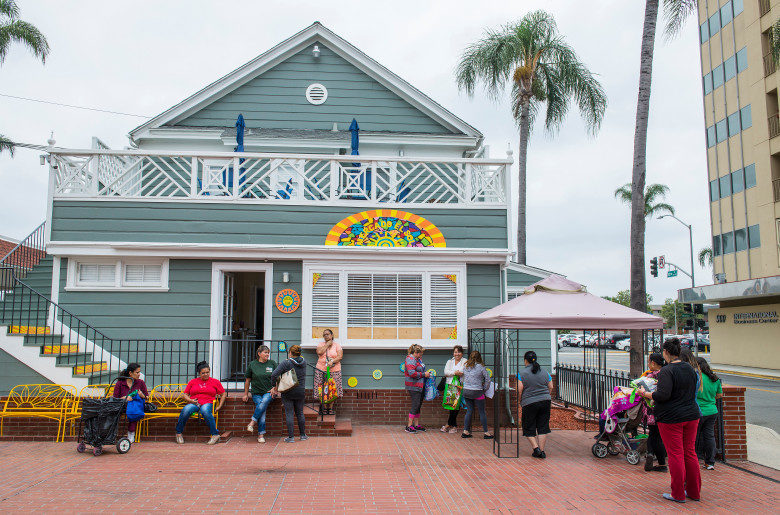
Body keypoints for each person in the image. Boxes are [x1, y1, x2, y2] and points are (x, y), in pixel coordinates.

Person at [638, 338, 701, 504]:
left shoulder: (667, 371)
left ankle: (678, 493)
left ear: (666, 352)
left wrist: (645, 393)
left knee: (675, 454)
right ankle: (694, 492)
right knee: (690, 452)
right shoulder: (690, 369)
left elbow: (662, 395)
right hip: (692, 415)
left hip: (671, 418)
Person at [175, 361, 226, 445]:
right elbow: (185, 394)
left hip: (208, 403)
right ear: (199, 373)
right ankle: (178, 433)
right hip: (195, 403)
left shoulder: (215, 382)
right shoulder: (193, 382)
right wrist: (190, 400)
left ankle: (215, 434)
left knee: (205, 410)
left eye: (207, 372)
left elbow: (223, 394)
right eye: (203, 373)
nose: (206, 374)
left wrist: (219, 406)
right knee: (186, 410)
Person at [517, 350, 552, 457]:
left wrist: (520, 401)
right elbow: (551, 386)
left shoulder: (521, 373)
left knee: (528, 426)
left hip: (529, 403)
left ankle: (536, 448)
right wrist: (546, 396)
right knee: (543, 426)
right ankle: (542, 451)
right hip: (545, 401)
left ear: (525, 360)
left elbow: (520, 389)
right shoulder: (545, 372)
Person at [270, 344, 308, 443]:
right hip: (300, 391)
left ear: (290, 353)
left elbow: (274, 375)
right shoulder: (304, 362)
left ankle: (291, 437)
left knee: (289, 413)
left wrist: (274, 387)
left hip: (288, 391)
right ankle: (303, 435)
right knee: (300, 413)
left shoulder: (286, 363)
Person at [242, 345, 277, 443]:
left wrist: (275, 388)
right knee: (262, 408)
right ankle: (260, 435)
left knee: (264, 401)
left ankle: (252, 423)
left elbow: (278, 378)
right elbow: (248, 380)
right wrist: (245, 394)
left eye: (268, 352)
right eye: (265, 352)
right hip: (256, 393)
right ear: (259, 354)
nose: (267, 354)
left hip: (269, 392)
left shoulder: (272, 363)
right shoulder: (253, 364)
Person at [696, 357, 722, 470]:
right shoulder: (714, 378)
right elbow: (720, 395)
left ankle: (695, 459)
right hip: (712, 410)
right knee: (709, 436)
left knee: (694, 437)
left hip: (699, 411)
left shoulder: (698, 378)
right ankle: (710, 462)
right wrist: (710, 399)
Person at [642, 353, 667, 472]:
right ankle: (654, 456)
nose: (648, 364)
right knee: (656, 435)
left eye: (648, 362)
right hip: (663, 410)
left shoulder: (650, 377)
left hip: (653, 410)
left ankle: (658, 460)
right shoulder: (666, 374)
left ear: (653, 363)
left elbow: (647, 393)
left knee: (654, 435)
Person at [112, 363, 148, 443]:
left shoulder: (140, 383)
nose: (139, 374)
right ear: (130, 373)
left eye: (139, 372)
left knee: (133, 409)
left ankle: (131, 433)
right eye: (137, 372)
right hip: (122, 405)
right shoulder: (120, 383)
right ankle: (111, 433)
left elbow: (147, 397)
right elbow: (115, 398)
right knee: (110, 411)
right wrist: (124, 398)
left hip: (135, 406)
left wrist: (142, 395)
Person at [461, 350, 493, 440]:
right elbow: (488, 379)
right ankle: (486, 432)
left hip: (466, 391)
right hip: (477, 391)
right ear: (479, 357)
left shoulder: (465, 366)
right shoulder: (481, 367)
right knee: (482, 412)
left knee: (469, 411)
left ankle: (465, 431)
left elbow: (462, 379)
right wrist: (484, 389)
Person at [404, 344, 432, 433]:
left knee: (418, 405)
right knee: (415, 404)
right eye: (420, 353)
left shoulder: (418, 359)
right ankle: (409, 426)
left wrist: (426, 373)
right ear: (416, 352)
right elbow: (411, 373)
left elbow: (420, 370)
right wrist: (424, 374)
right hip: (413, 386)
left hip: (420, 385)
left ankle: (416, 425)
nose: (421, 355)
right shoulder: (410, 359)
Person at [314, 329, 343, 415]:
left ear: (332, 335)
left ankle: (330, 408)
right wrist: (327, 345)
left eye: (327, 334)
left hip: (334, 370)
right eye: (324, 335)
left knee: (332, 388)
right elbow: (319, 352)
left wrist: (332, 361)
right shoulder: (321, 344)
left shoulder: (337, 345)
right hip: (321, 369)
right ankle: (323, 408)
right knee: (322, 388)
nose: (326, 336)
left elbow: (340, 356)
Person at [441, 345, 466, 433]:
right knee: (450, 405)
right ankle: (453, 425)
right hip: (450, 385)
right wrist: (455, 372)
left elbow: (463, 372)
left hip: (459, 386)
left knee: (456, 405)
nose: (457, 354)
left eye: (459, 352)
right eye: (455, 352)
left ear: (462, 353)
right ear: (453, 353)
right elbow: (446, 372)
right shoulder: (450, 361)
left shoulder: (465, 361)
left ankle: (449, 424)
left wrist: (453, 373)